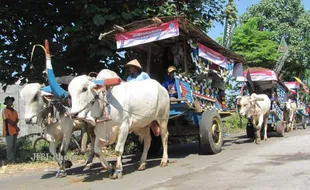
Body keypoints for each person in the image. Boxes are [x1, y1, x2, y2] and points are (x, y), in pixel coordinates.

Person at [2, 96, 19, 162]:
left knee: (14, 146)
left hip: (15, 130)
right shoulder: (4, 111)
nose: (10, 102)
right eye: (8, 101)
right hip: (8, 131)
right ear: (6, 103)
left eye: (11, 101)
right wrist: (15, 125)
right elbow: (7, 120)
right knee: (10, 146)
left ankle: (13, 159)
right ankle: (9, 159)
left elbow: (17, 119)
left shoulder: (14, 111)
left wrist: (16, 125)